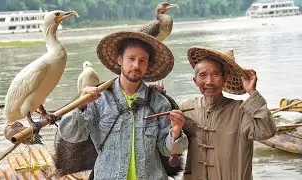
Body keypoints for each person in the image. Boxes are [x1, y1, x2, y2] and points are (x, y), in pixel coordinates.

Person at [58, 31, 188, 180]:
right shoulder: (99, 100)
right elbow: (70, 134)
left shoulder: (158, 102)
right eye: (131, 58)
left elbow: (168, 149)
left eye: (142, 61)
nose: (136, 65)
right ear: (120, 59)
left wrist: (176, 131)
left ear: (148, 65)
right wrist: (80, 105)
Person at [179, 46, 277, 180]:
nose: (209, 81)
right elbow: (174, 150)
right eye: (203, 75)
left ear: (225, 79)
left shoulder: (241, 111)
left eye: (215, 74)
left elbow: (267, 131)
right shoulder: (186, 108)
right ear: (195, 81)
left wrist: (252, 92)